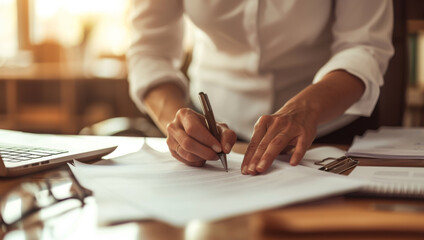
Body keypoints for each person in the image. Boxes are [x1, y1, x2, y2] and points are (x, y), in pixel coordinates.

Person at [127, 0, 394, 175]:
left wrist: (308, 108)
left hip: (331, 126)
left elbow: (363, 46)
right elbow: (149, 50)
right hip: (213, 131)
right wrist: (178, 127)